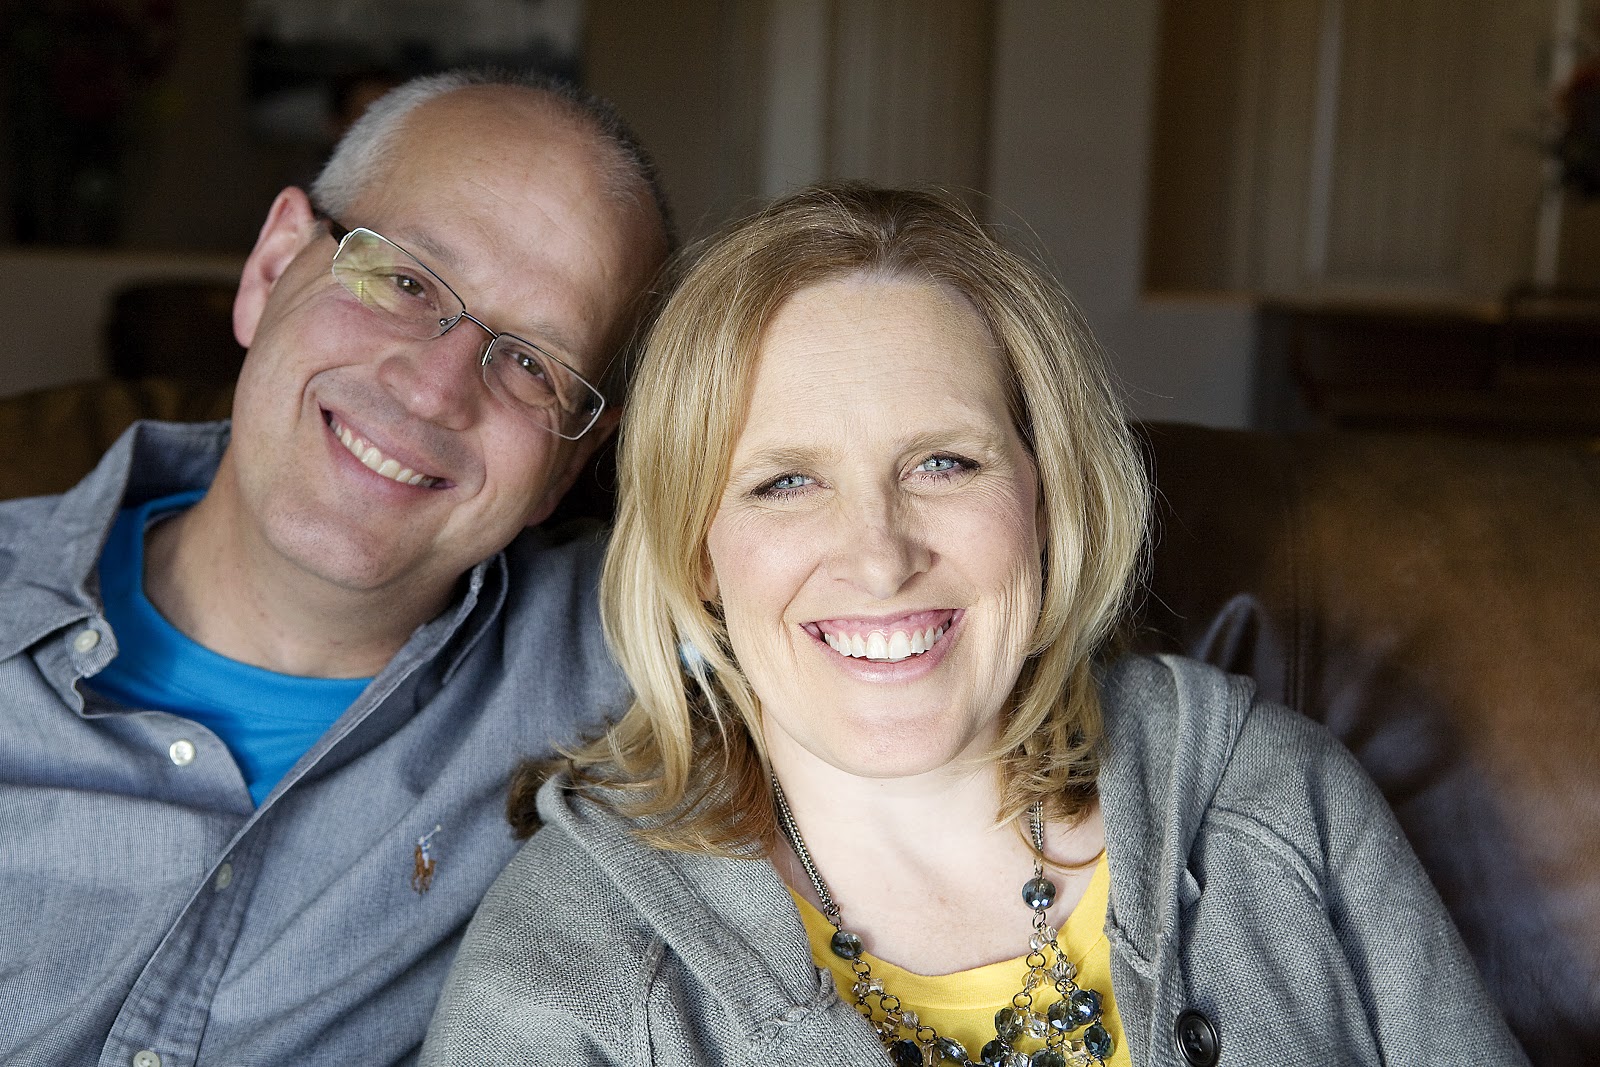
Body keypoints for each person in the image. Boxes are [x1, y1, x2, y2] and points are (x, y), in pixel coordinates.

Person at [420, 185, 1528, 1067]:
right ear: (696, 552)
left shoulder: (1276, 802)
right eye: (786, 481)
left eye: (943, 462)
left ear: (1047, 496)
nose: (880, 555)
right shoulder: (569, 960)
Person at [0, 70, 670, 1065]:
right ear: (272, 265)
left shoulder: (639, 667)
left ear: (567, 467)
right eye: (406, 281)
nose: (435, 388)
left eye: (533, 361)